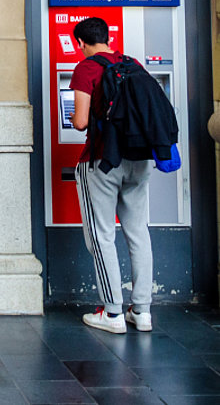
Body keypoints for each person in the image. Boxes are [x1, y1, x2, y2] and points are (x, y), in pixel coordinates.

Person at [69, 17, 153, 334]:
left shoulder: (86, 68)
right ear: (107, 37)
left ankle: (113, 313)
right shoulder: (132, 64)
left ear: (81, 43)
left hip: (103, 161)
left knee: (101, 235)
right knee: (138, 232)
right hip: (140, 159)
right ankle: (142, 311)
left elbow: (78, 122)